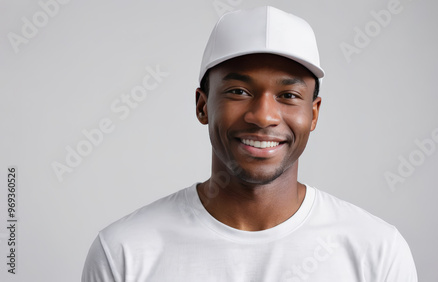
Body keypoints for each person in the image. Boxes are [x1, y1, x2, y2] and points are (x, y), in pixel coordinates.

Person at [82, 6, 418, 282]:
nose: (263, 116)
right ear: (202, 106)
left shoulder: (377, 251)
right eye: (239, 92)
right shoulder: (124, 252)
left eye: (288, 95)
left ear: (313, 115)